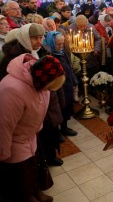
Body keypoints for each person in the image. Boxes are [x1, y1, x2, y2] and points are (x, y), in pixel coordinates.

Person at [0, 54, 65, 202]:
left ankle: (36, 192)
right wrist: (3, 153)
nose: (49, 90)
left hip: (30, 137)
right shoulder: (11, 89)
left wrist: (37, 129)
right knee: (21, 180)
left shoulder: (41, 84)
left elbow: (40, 106)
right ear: (43, 80)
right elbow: (3, 126)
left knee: (34, 171)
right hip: (14, 143)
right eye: (49, 86)